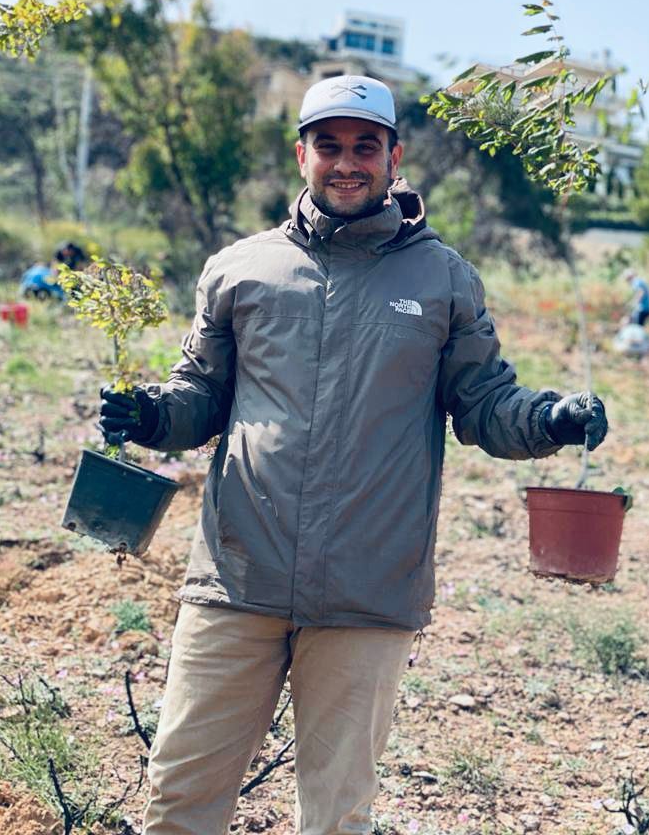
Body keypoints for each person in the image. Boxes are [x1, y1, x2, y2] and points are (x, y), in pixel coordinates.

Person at [99, 75, 609, 835]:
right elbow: (199, 397)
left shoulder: (443, 279)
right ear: (300, 155)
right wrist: (148, 414)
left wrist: (551, 418)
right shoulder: (242, 269)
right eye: (328, 146)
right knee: (178, 801)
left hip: (368, 589)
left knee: (338, 817)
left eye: (365, 147)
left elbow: (485, 405)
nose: (347, 163)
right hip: (238, 577)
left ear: (394, 157)